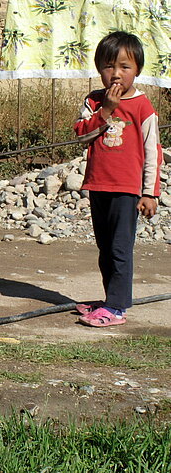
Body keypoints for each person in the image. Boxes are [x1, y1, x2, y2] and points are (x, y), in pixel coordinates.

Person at [73, 31, 163, 327]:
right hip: (99, 185)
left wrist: (149, 193)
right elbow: (82, 135)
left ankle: (117, 308)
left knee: (120, 249)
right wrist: (106, 110)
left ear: (137, 70)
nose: (116, 74)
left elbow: (153, 152)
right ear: (99, 69)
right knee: (104, 246)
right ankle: (110, 298)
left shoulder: (143, 107)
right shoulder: (93, 101)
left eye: (125, 67)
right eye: (109, 67)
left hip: (126, 190)